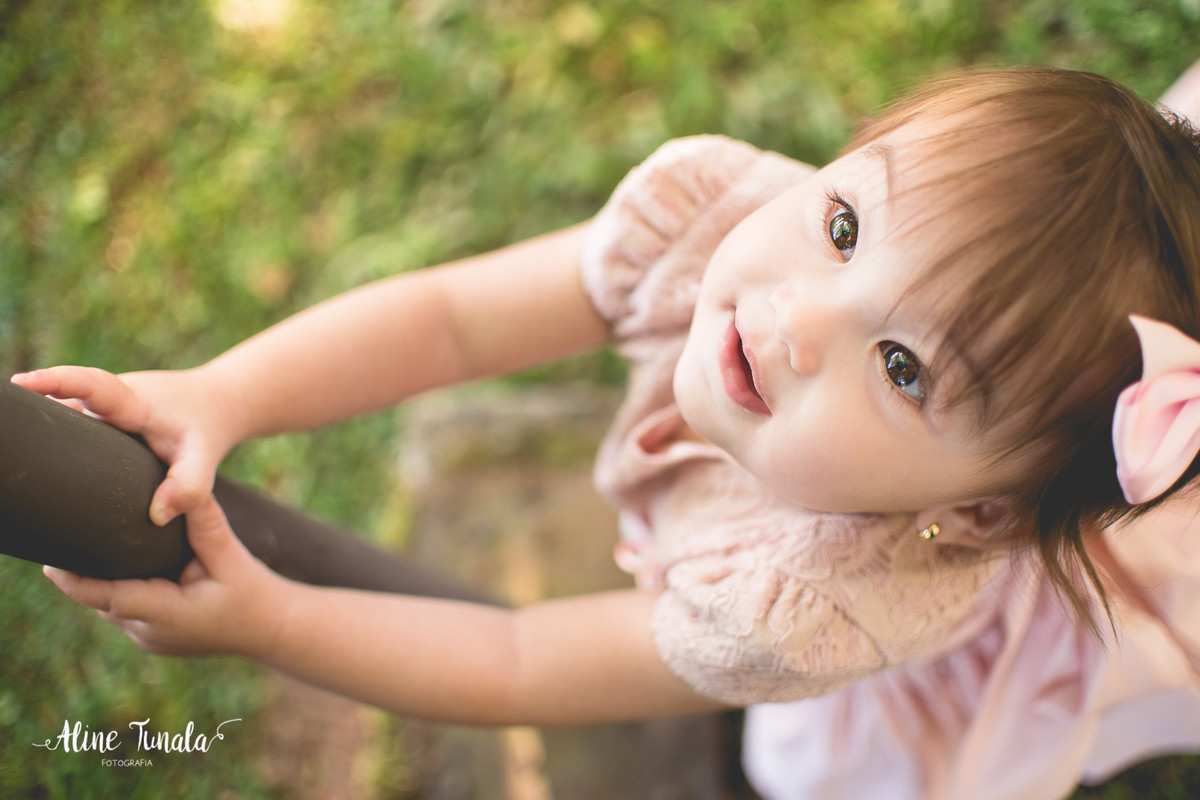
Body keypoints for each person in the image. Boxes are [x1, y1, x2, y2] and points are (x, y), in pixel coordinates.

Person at [14, 60, 1200, 799]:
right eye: (846, 223)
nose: (798, 317)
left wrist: (274, 619)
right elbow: (451, 318)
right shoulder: (713, 220)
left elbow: (519, 657)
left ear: (977, 509)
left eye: (902, 365)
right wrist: (226, 391)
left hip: (887, 646)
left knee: (831, 764)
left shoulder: (816, 608)